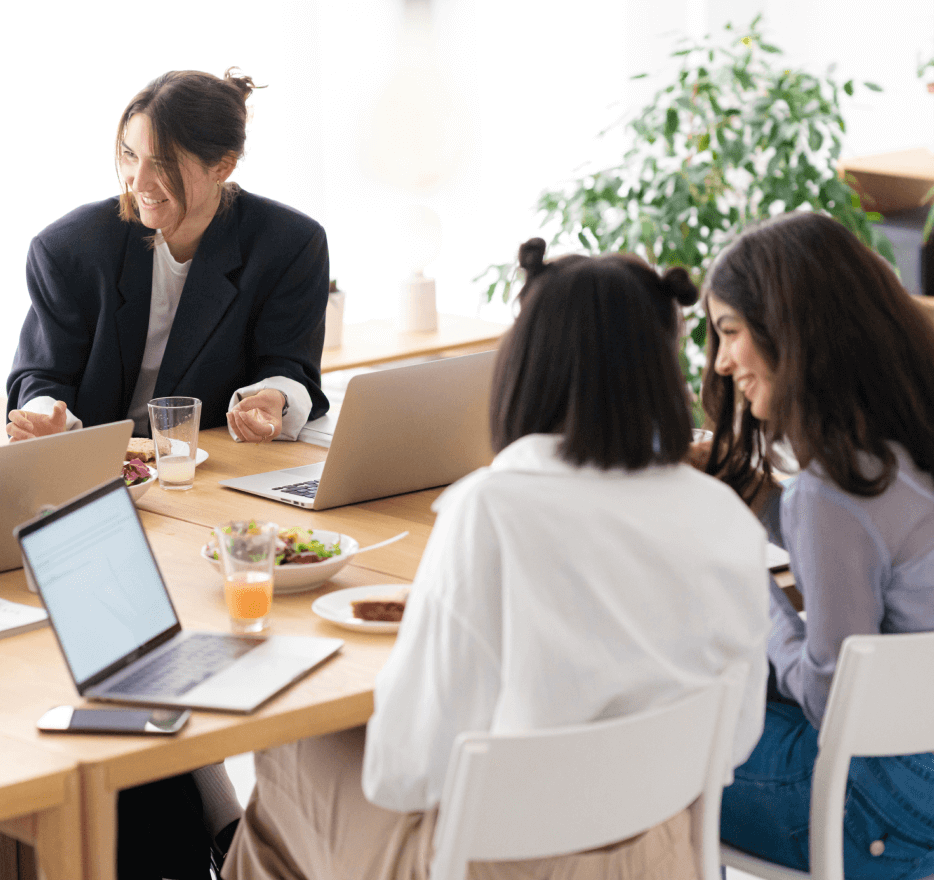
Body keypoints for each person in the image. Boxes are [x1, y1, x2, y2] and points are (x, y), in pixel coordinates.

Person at [222, 240, 772, 880]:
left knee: (289, 759)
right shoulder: (723, 514)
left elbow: (408, 770)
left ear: (524, 365)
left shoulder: (491, 511)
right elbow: (735, 739)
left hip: (501, 865)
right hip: (663, 852)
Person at [705, 212, 934, 879]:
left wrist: (756, 598)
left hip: (878, 811)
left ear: (790, 330)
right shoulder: (905, 449)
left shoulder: (831, 494)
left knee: (662, 743)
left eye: (730, 332)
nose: (721, 363)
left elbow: (832, 702)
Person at [5, 68, 329, 444]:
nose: (137, 181)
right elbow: (43, 375)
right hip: (100, 469)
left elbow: (289, 365)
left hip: (214, 463)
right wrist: (45, 420)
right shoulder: (68, 248)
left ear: (222, 166)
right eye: (129, 155)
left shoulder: (289, 244)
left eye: (163, 163)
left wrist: (275, 398)